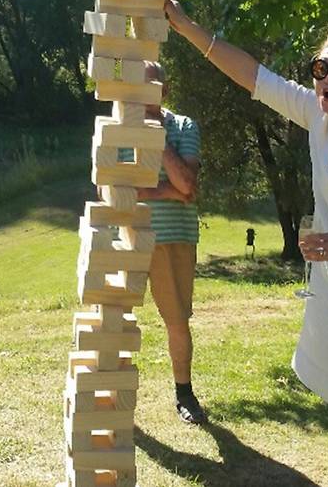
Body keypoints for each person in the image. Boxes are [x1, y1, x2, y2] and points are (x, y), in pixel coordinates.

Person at [164, 0, 328, 486]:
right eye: (321, 67)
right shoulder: (318, 118)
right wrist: (186, 28)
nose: (327, 77)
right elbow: (252, 75)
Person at [130, 61, 207, 424]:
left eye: (152, 87)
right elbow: (112, 189)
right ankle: (110, 394)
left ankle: (184, 393)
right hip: (128, 233)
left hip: (173, 237)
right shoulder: (120, 129)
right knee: (113, 316)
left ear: (165, 90)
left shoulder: (184, 127)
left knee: (176, 320)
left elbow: (188, 186)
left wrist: (158, 141)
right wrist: (169, 191)